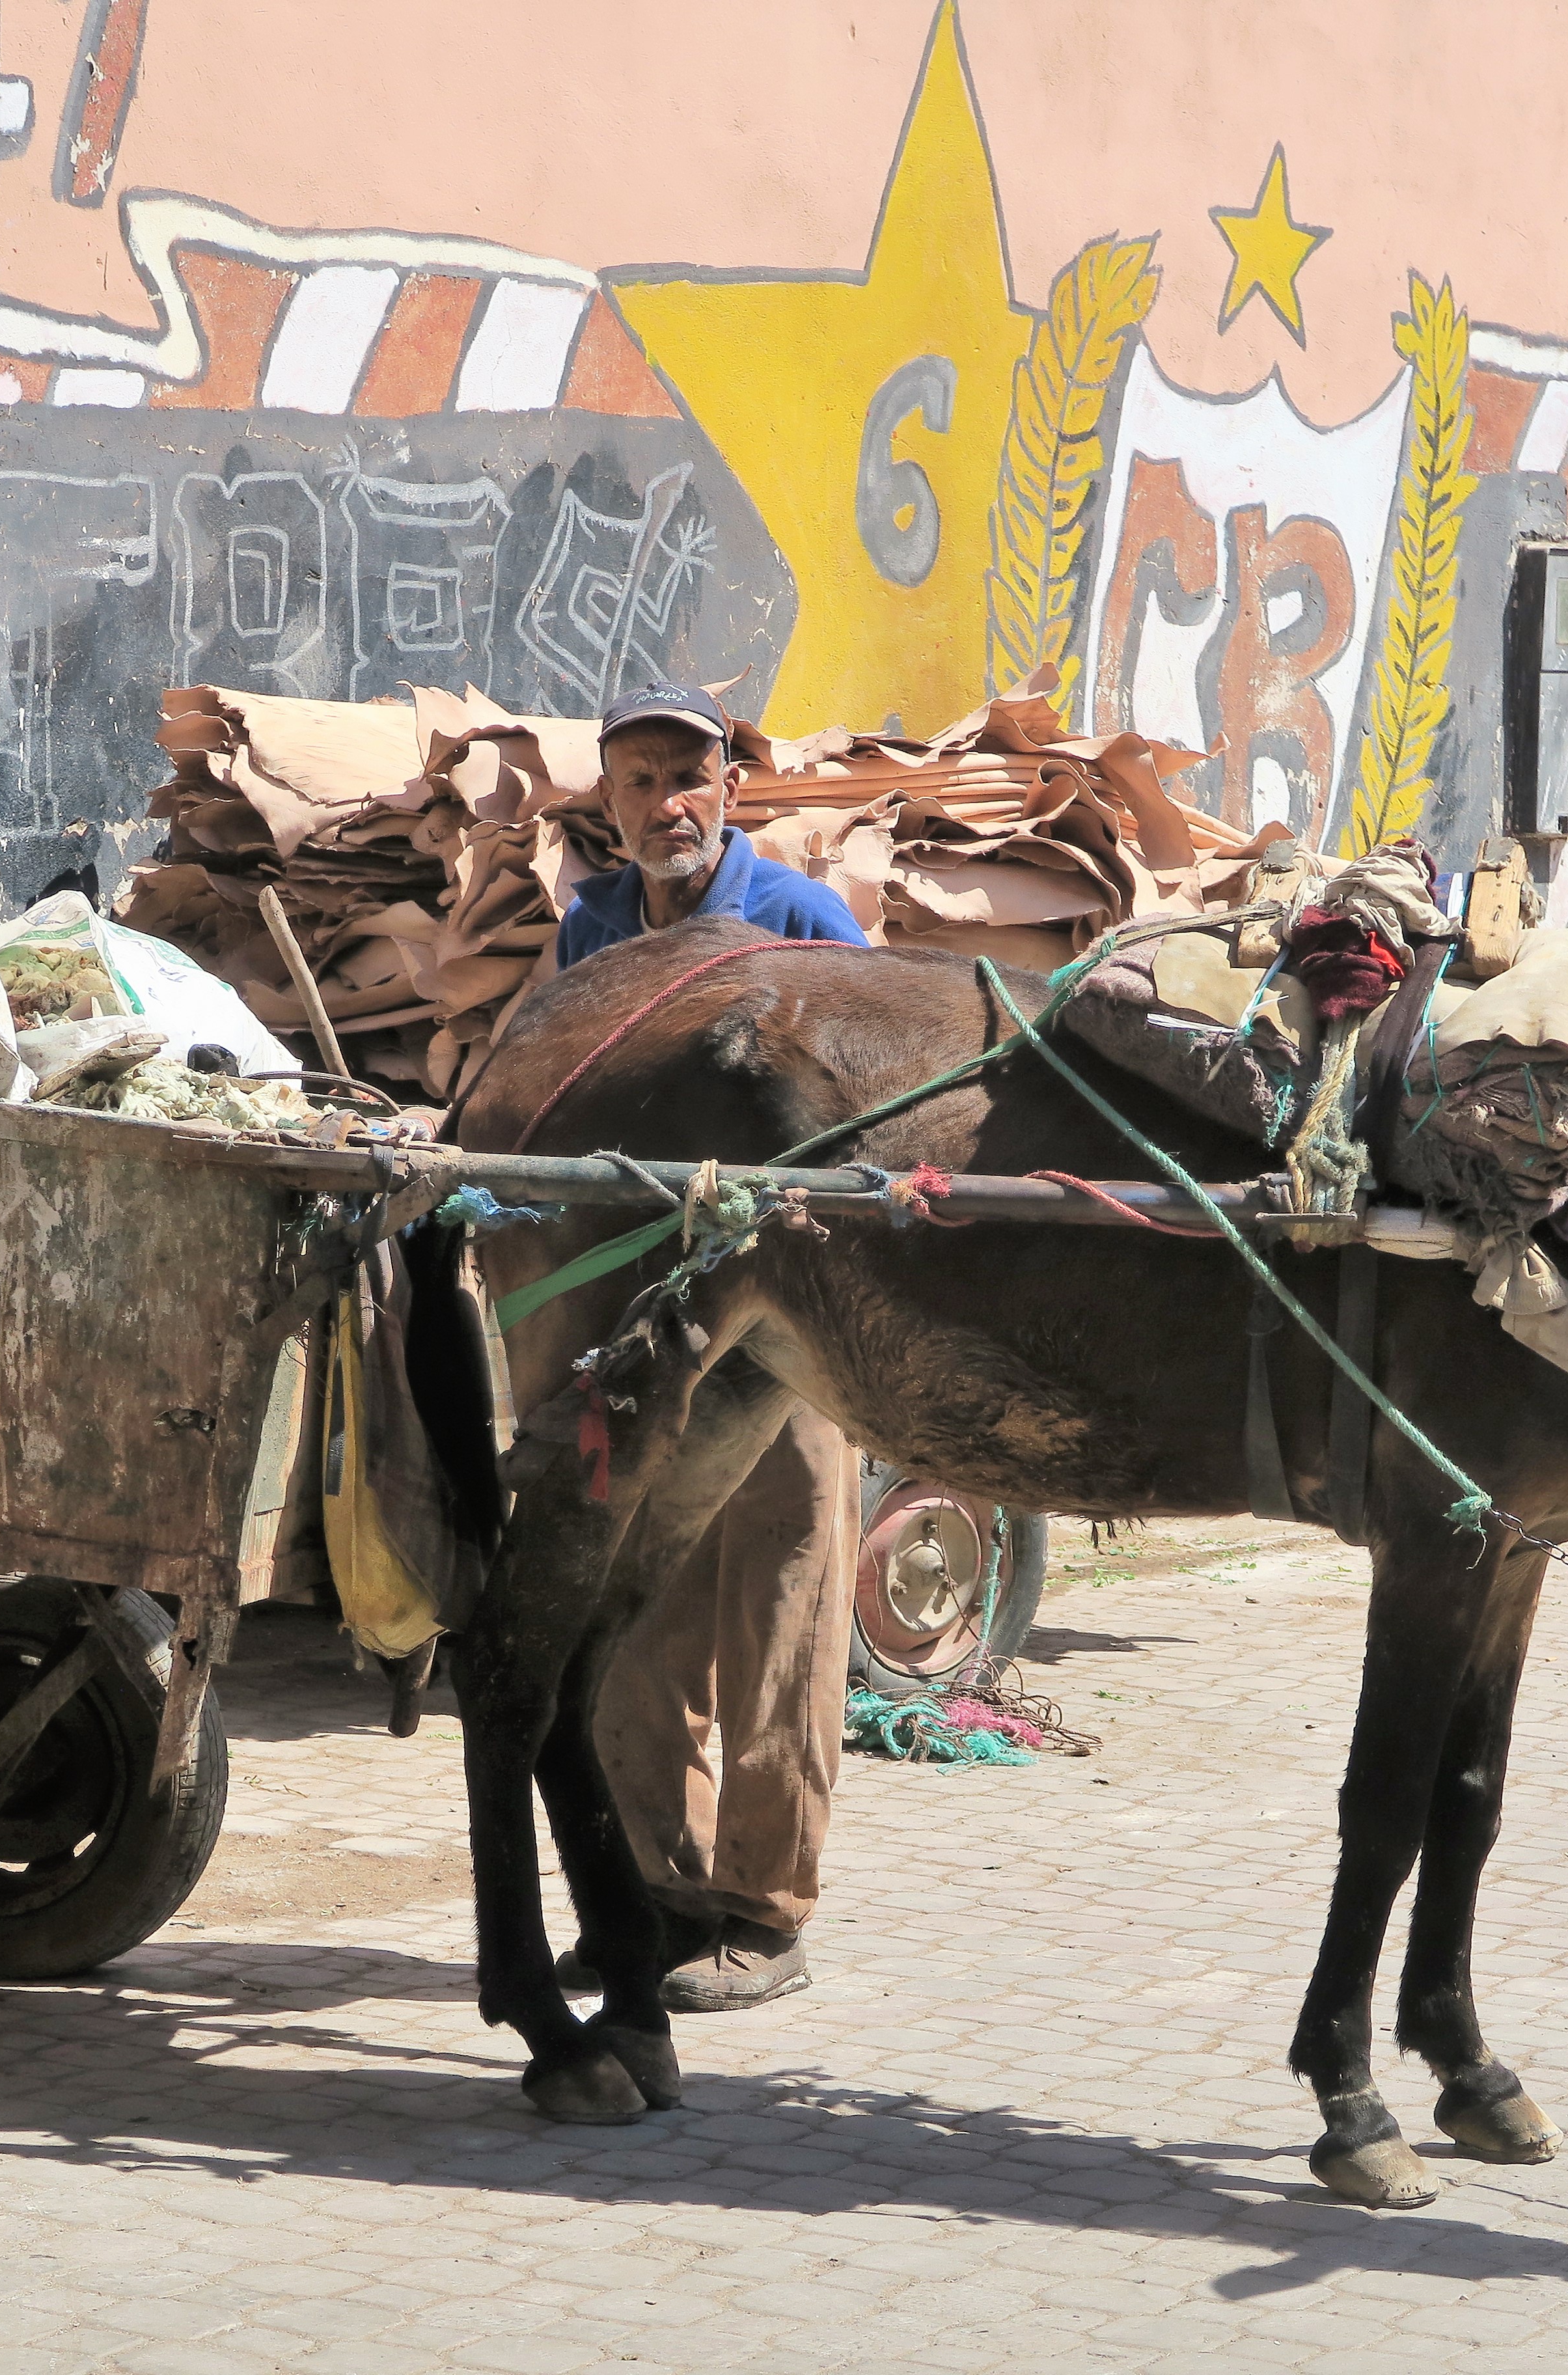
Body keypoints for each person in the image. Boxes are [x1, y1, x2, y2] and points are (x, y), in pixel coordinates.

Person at [553, 682, 870, 2011]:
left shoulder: (803, 920)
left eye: (689, 776)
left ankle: (764, 1910)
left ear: (730, 787)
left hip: (795, 1320)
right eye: (639, 781)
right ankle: (656, 1891)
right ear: (610, 803)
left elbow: (879, 1114)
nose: (666, 803)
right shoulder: (593, 928)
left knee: (781, 1604)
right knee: (635, 1604)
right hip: (650, 1319)